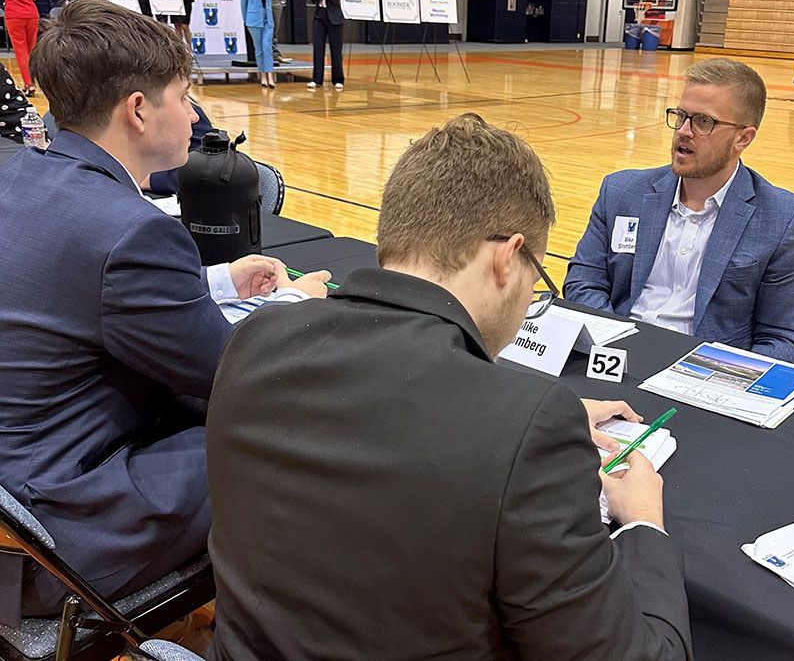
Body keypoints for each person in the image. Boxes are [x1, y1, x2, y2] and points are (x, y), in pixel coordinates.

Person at [206, 113, 693, 660]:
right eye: (536, 277)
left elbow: (383, 411)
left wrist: (519, 421)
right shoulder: (524, 426)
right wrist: (645, 527)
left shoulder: (257, 336)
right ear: (507, 259)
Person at [0, 0, 330, 625]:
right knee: (293, 428)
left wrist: (216, 282)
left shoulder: (24, 177)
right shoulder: (129, 232)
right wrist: (296, 308)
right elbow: (234, 373)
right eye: (185, 94)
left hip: (17, 498)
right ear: (139, 109)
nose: (196, 113)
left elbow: (80, 296)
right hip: (56, 538)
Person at [564, 59, 794, 365]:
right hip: (616, 359)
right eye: (681, 116)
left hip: (707, 377)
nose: (684, 131)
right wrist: (615, 348)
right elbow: (583, 282)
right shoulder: (621, 192)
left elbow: (785, 336)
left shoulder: (783, 220)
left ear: (743, 137)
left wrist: (722, 380)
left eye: (703, 121)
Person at [3, 0, 40, 96]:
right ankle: (37, 81)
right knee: (33, 50)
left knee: (21, 51)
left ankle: (29, 84)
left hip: (13, 14)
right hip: (31, 13)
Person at [307, 0, 344, 89]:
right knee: (318, 49)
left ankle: (338, 79)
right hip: (319, 17)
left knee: (336, 51)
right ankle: (317, 79)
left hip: (334, 18)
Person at [241, 0, 275, 88]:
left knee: (267, 46)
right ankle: (263, 75)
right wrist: (246, 20)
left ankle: (270, 75)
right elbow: (243, 2)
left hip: (268, 18)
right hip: (253, 19)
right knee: (259, 49)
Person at [270, 0, 291, 64]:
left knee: (275, 30)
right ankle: (270, 54)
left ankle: (275, 53)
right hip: (264, 1)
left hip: (276, 0)